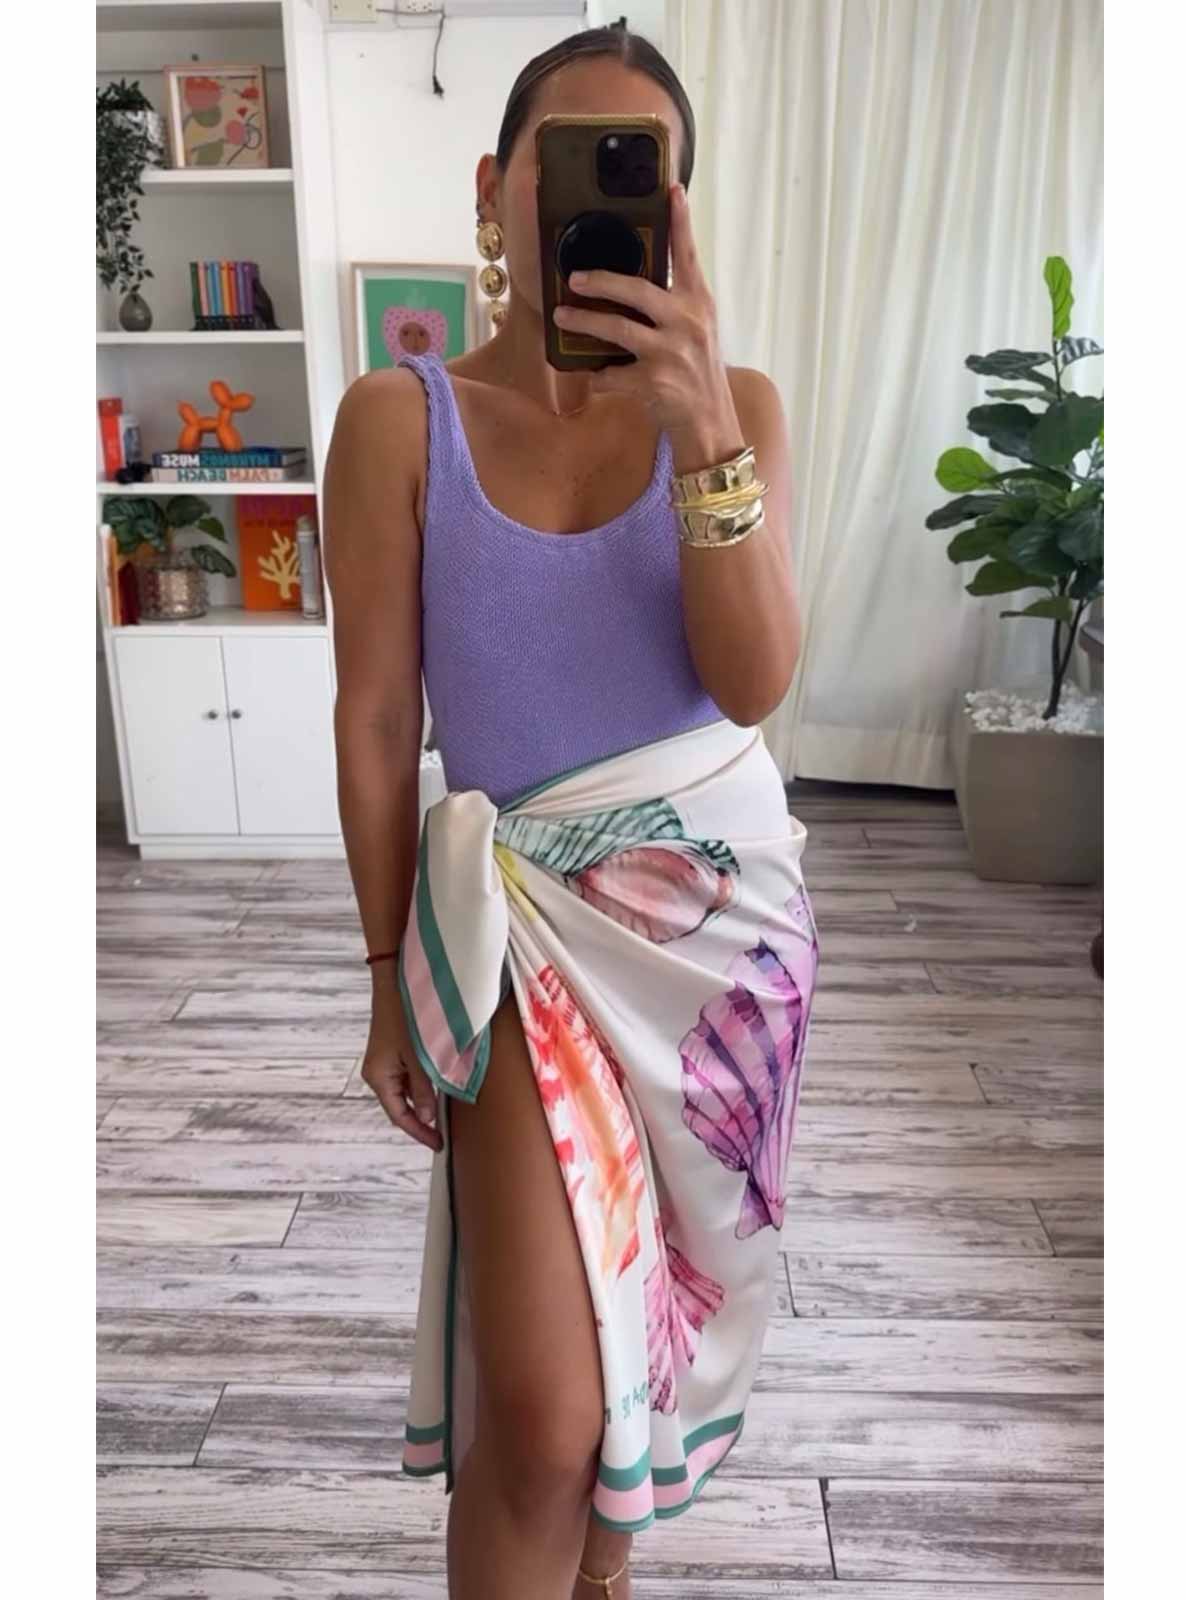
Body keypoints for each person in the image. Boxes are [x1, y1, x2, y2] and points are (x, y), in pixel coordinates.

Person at [322, 22, 817, 1600]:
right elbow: (379, 717)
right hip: (517, 929)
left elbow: (753, 681)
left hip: (721, 940)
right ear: (497, 189)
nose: (592, 201)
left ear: (677, 211)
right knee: (538, 1413)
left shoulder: (737, 405)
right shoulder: (398, 419)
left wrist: (703, 432)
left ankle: (604, 1562)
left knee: (644, 1333)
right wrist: (386, 976)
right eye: (563, 162)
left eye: (636, 171)